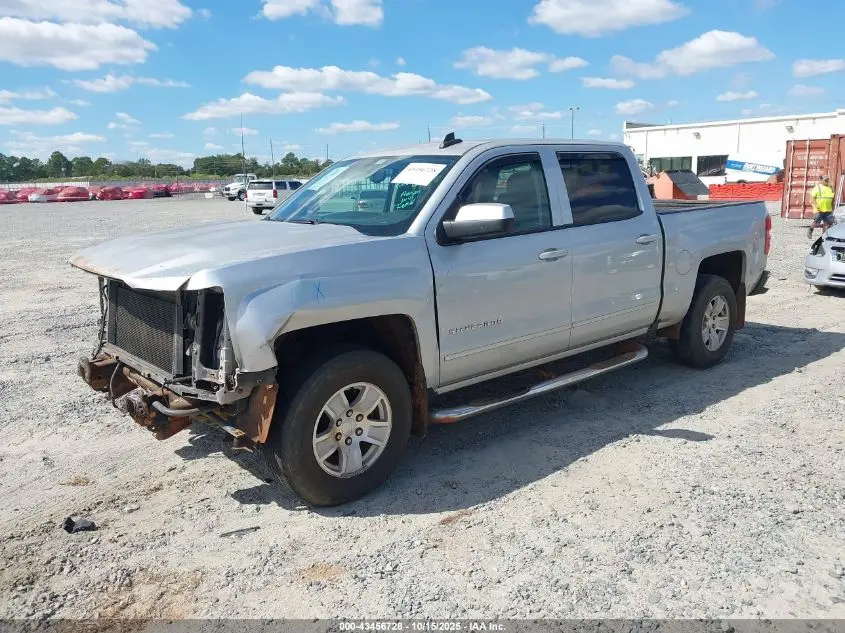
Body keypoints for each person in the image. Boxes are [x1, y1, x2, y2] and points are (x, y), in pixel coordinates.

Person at [808, 174, 835, 239]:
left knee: (827, 223)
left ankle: (824, 236)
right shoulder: (818, 187)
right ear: (821, 180)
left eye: (827, 180)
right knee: (816, 222)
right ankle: (810, 229)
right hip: (819, 209)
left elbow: (832, 198)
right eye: (825, 180)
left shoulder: (830, 188)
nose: (826, 181)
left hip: (828, 209)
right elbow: (812, 197)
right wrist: (816, 205)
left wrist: (833, 207)